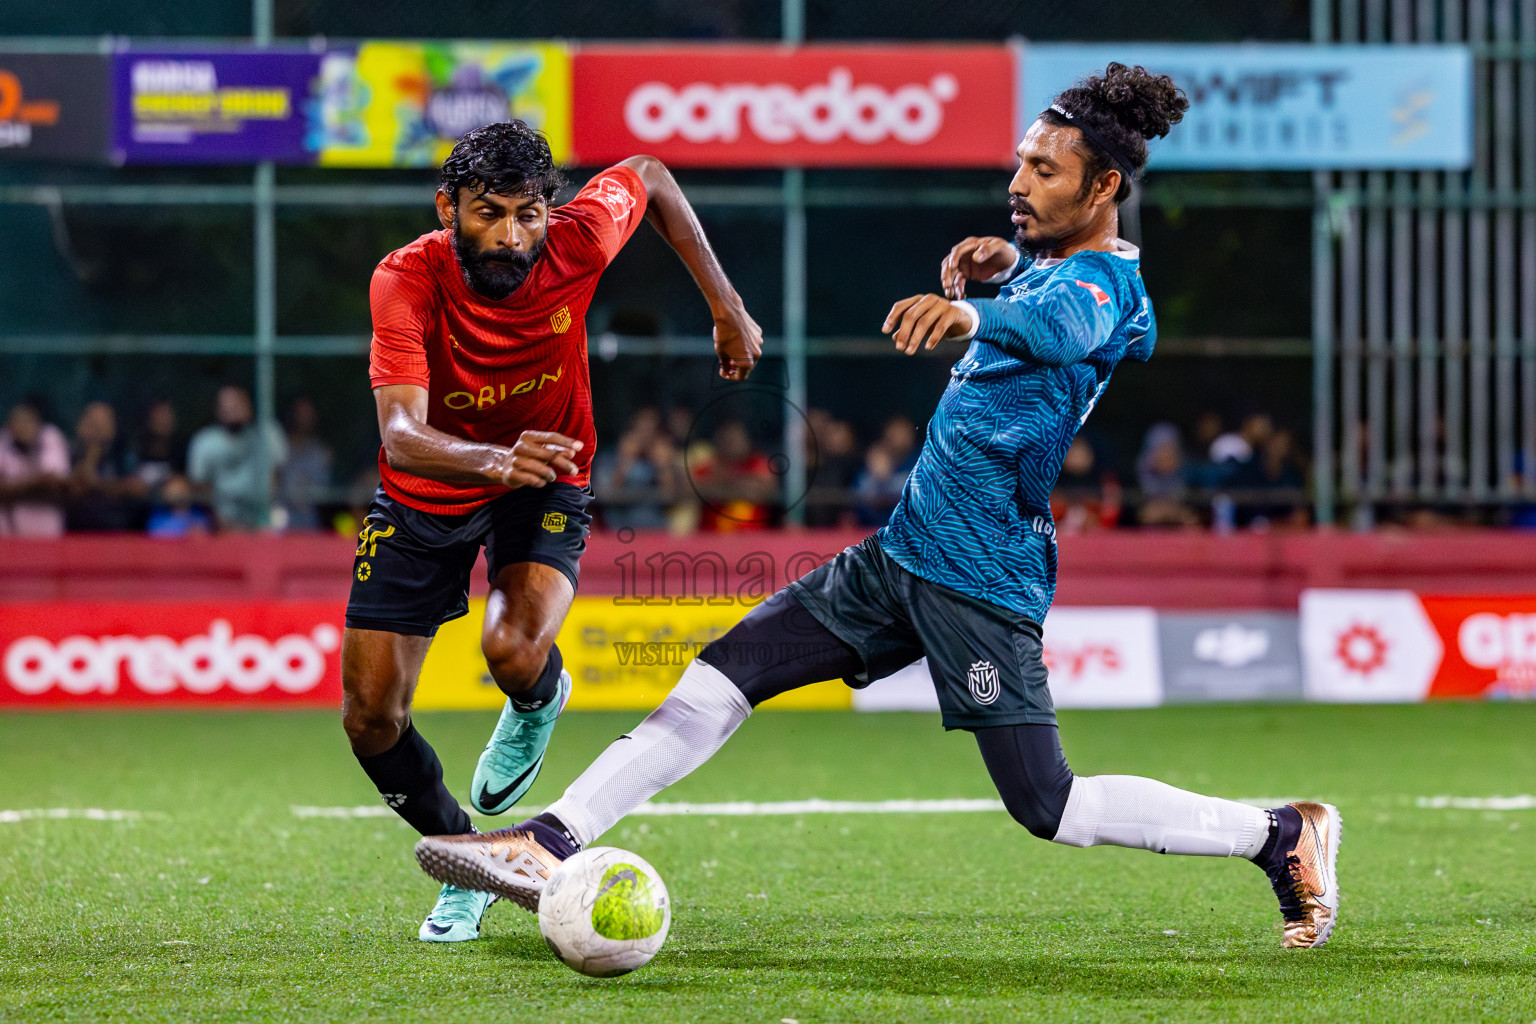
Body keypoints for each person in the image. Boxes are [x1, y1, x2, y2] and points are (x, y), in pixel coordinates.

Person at [414, 65, 1341, 952]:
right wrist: (1010, 260)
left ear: (1103, 186)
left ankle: (1277, 832)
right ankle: (550, 839)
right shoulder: (1053, 264)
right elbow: (1049, 290)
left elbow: (1070, 324)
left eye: (1042, 169)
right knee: (723, 678)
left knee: (1046, 804)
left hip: (979, 576)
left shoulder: (1106, 286)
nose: (1017, 180)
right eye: (1019, 160)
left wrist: (981, 313)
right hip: (901, 556)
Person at [344, 120, 762, 943]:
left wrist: (727, 305)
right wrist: (496, 458)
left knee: (513, 650)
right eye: (488, 213)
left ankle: (537, 701)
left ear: (552, 210)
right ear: (447, 208)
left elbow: (650, 173)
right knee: (370, 719)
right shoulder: (406, 278)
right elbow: (400, 432)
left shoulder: (577, 239)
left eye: (529, 214)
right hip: (428, 491)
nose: (510, 236)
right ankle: (472, 863)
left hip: (546, 477)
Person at [186, 385, 287, 530]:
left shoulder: (268, 433)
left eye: (237, 403)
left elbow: (276, 475)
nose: (232, 408)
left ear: (249, 405)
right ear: (218, 409)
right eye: (227, 404)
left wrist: (263, 517)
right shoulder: (205, 441)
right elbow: (200, 486)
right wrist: (221, 523)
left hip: (263, 518)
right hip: (220, 523)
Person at [0, 399, 70, 538]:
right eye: (17, 422)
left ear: (37, 423)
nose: (23, 426)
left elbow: (53, 483)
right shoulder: (4, 441)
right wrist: (36, 484)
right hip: (11, 526)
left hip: (47, 524)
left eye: (27, 421)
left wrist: (15, 487)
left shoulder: (50, 436)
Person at [277, 396, 333, 531]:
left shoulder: (321, 453)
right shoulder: (279, 447)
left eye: (308, 413)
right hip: (280, 520)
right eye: (301, 413)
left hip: (311, 523)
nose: (304, 418)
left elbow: (325, 492)